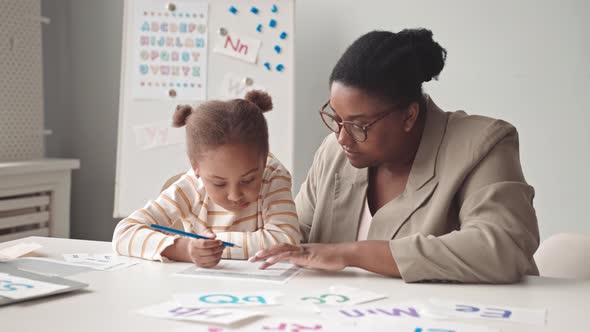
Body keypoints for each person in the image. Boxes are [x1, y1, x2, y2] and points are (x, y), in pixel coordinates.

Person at [250, 29, 539, 283]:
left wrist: (352, 253)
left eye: (358, 125)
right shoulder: (334, 152)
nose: (342, 137)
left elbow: (504, 248)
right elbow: (293, 234)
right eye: (336, 119)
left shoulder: (483, 143)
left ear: (409, 116)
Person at [113, 90, 301, 268]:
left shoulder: (273, 176)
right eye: (219, 183)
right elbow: (124, 232)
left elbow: (286, 240)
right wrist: (184, 249)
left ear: (263, 160)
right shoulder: (192, 187)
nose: (235, 196)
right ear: (196, 168)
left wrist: (210, 244)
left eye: (248, 180)